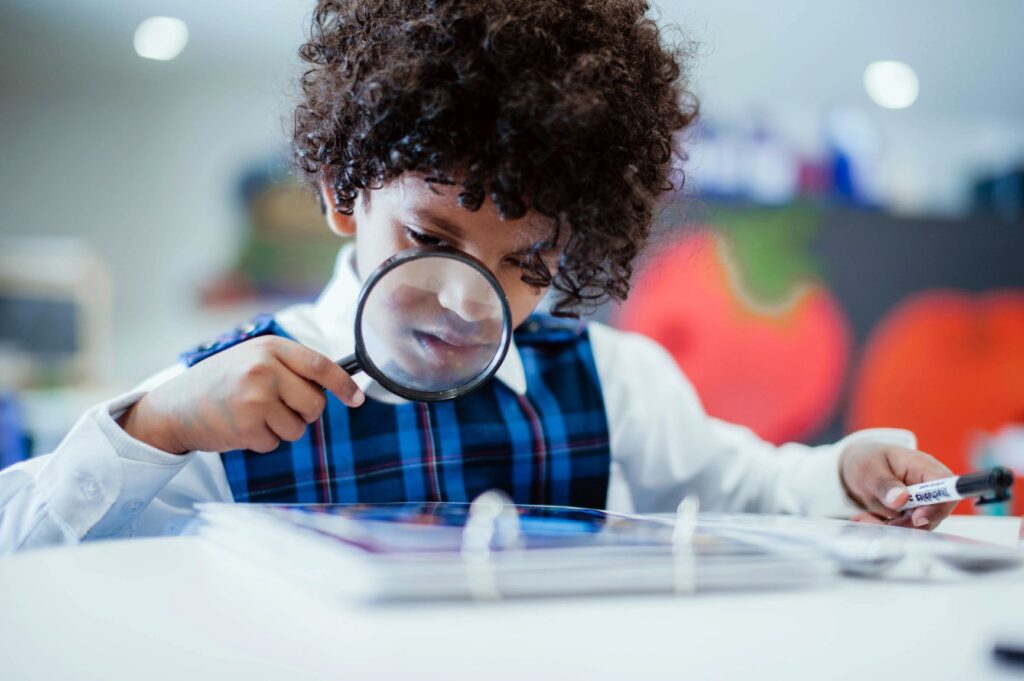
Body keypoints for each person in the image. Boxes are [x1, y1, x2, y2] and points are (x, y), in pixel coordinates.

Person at [0, 0, 955, 553]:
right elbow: (21, 545)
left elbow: (749, 488)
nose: (466, 302)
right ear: (343, 191)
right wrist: (155, 428)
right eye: (430, 235)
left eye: (526, 263)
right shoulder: (217, 401)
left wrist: (845, 471)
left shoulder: (610, 380)